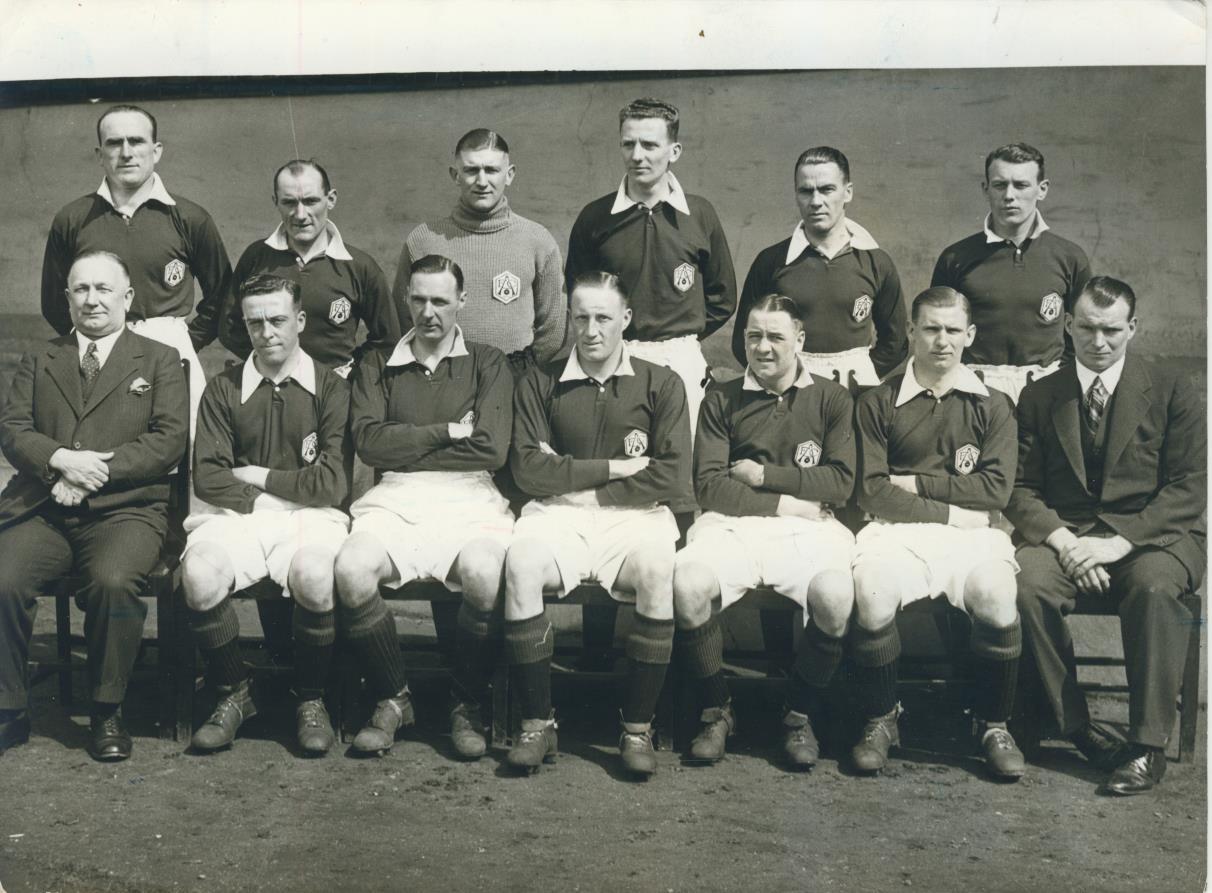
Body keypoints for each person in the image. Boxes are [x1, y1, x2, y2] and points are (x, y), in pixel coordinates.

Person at [1007, 276, 1205, 796]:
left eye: (1112, 330)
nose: (1099, 342)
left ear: (1132, 328)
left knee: (1155, 589)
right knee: (1027, 585)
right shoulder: (1040, 395)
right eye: (1088, 328)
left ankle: (1146, 746)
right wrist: (1068, 544)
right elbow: (1020, 489)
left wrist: (1117, 543)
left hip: (1153, 536)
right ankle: (1075, 726)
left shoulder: (1173, 389)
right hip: (1067, 535)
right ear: (1068, 326)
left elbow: (1189, 488)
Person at [504, 271, 693, 778]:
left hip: (635, 519)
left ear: (625, 319)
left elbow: (670, 475)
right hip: (557, 515)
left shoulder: (662, 383)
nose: (591, 331)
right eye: (581, 317)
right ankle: (537, 723)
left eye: (603, 318)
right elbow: (528, 470)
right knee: (521, 564)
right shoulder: (540, 380)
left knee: (657, 569)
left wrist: (578, 482)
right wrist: (615, 468)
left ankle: (637, 728)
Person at [0, 251, 187, 760]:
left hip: (126, 510)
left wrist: (89, 475)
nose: (92, 300)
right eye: (81, 289)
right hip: (45, 508)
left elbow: (168, 441)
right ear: (67, 299)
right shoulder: (42, 358)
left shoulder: (159, 359)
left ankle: (107, 709)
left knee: (112, 582)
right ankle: (10, 708)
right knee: (4, 577)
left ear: (127, 297)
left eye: (104, 289)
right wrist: (60, 459)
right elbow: (13, 429)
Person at [333, 255, 514, 760]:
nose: (428, 312)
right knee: (352, 568)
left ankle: (465, 702)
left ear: (462, 301)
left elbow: (491, 449)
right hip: (397, 494)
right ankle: (394, 697)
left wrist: (406, 440)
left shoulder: (488, 361)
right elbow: (371, 445)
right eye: (418, 300)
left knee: (483, 571)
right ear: (406, 300)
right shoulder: (377, 363)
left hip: (470, 494)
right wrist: (449, 431)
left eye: (440, 300)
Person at [674, 294, 856, 769]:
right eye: (754, 336)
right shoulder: (721, 397)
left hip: (810, 530)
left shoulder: (832, 398)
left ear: (800, 339)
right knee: (688, 584)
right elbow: (710, 487)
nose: (763, 347)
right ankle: (717, 710)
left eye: (776, 336)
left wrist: (762, 475)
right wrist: (788, 501)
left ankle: (798, 714)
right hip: (734, 525)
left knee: (836, 594)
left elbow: (840, 482)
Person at [851, 286, 1025, 780]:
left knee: (996, 594)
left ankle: (992, 723)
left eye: (952, 330)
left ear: (970, 335)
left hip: (973, 536)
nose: (941, 341)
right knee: (873, 592)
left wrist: (917, 482)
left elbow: (994, 490)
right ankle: (882, 718)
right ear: (911, 332)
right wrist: (951, 511)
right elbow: (873, 493)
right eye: (930, 328)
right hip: (896, 530)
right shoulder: (879, 400)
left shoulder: (993, 405)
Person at [180, 274, 351, 756]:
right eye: (255, 323)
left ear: (300, 320)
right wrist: (266, 496)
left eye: (277, 320)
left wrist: (257, 474)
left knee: (315, 575)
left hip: (312, 517)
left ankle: (310, 698)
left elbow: (331, 484)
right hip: (239, 513)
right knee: (199, 574)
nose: (266, 332)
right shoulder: (223, 388)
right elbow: (208, 477)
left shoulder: (332, 388)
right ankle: (234, 690)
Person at [41, 104, 231, 430]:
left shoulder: (190, 218)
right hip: (97, 353)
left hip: (170, 351)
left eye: (137, 141)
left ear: (156, 151)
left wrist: (185, 339)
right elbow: (53, 301)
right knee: (98, 443)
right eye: (114, 143)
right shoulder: (72, 219)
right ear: (100, 154)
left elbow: (223, 294)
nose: (126, 152)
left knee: (176, 446)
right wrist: (93, 339)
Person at [565, 97, 736, 439]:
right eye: (628, 144)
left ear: (674, 151)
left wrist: (678, 334)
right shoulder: (595, 218)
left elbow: (722, 297)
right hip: (616, 360)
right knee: (620, 458)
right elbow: (578, 294)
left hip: (681, 360)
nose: (637, 155)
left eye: (649, 145)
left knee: (683, 461)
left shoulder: (700, 214)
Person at [392, 129, 567, 378]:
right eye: (471, 170)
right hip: (442, 380)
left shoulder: (537, 240)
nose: (482, 181)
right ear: (455, 175)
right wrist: (435, 371)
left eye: (492, 170)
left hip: (513, 384)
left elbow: (553, 328)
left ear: (509, 175)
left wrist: (517, 373)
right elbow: (403, 318)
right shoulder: (423, 240)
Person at [931, 143, 1091, 403]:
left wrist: (1061, 378)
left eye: (1021, 185)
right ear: (985, 189)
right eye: (999, 185)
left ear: (1042, 189)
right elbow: (937, 331)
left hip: (1047, 391)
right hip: (974, 390)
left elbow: (1085, 331)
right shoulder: (955, 258)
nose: (1009, 195)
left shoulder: (1070, 257)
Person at [732, 147, 906, 387]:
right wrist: (783, 380)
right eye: (806, 191)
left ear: (847, 192)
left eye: (826, 189)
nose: (815, 201)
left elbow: (896, 343)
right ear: (796, 194)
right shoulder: (771, 262)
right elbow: (742, 342)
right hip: (791, 391)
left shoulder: (876, 262)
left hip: (854, 394)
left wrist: (858, 377)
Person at [220, 159, 400, 378]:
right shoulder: (256, 257)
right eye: (289, 202)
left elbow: (387, 340)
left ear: (330, 199)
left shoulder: (360, 267)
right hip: (271, 384)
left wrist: (351, 376)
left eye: (310, 201)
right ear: (275, 202)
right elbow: (229, 327)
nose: (300, 214)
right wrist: (270, 363)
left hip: (336, 390)